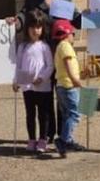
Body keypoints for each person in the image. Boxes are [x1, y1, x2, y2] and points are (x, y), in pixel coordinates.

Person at [14, 11, 54, 154]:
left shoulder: (44, 47)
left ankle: (43, 139)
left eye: (39, 27)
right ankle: (31, 139)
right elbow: (18, 66)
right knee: (30, 114)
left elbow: (50, 66)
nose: (36, 31)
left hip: (42, 87)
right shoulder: (22, 47)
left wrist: (42, 78)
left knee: (42, 114)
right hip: (27, 86)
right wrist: (16, 81)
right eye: (33, 27)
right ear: (27, 29)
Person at [52, 19, 85, 157]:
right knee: (75, 113)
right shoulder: (65, 46)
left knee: (67, 114)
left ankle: (68, 141)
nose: (73, 36)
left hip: (62, 85)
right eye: (72, 33)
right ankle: (63, 140)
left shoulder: (60, 46)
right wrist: (75, 79)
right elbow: (67, 64)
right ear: (67, 34)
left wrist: (82, 74)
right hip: (68, 86)